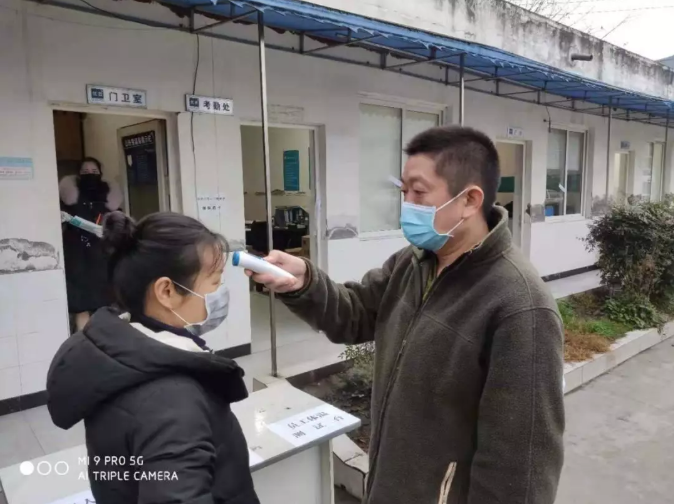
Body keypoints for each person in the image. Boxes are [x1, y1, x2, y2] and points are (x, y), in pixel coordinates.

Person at [249, 126, 565, 504]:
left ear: (469, 200)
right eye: (404, 192)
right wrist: (304, 282)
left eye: (419, 192)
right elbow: (355, 313)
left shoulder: (520, 306)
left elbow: (519, 469)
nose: (407, 205)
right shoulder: (413, 263)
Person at [47, 212, 260, 504]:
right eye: (214, 282)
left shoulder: (120, 358)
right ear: (167, 291)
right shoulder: (172, 402)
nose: (221, 293)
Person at [59, 157, 122, 331]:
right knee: (81, 303)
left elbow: (118, 225)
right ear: (78, 174)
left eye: (94, 171)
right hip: (76, 255)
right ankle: (83, 339)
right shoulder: (68, 198)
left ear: (100, 173)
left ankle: (103, 337)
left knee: (104, 300)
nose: (90, 175)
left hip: (102, 254)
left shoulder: (110, 198)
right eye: (85, 172)